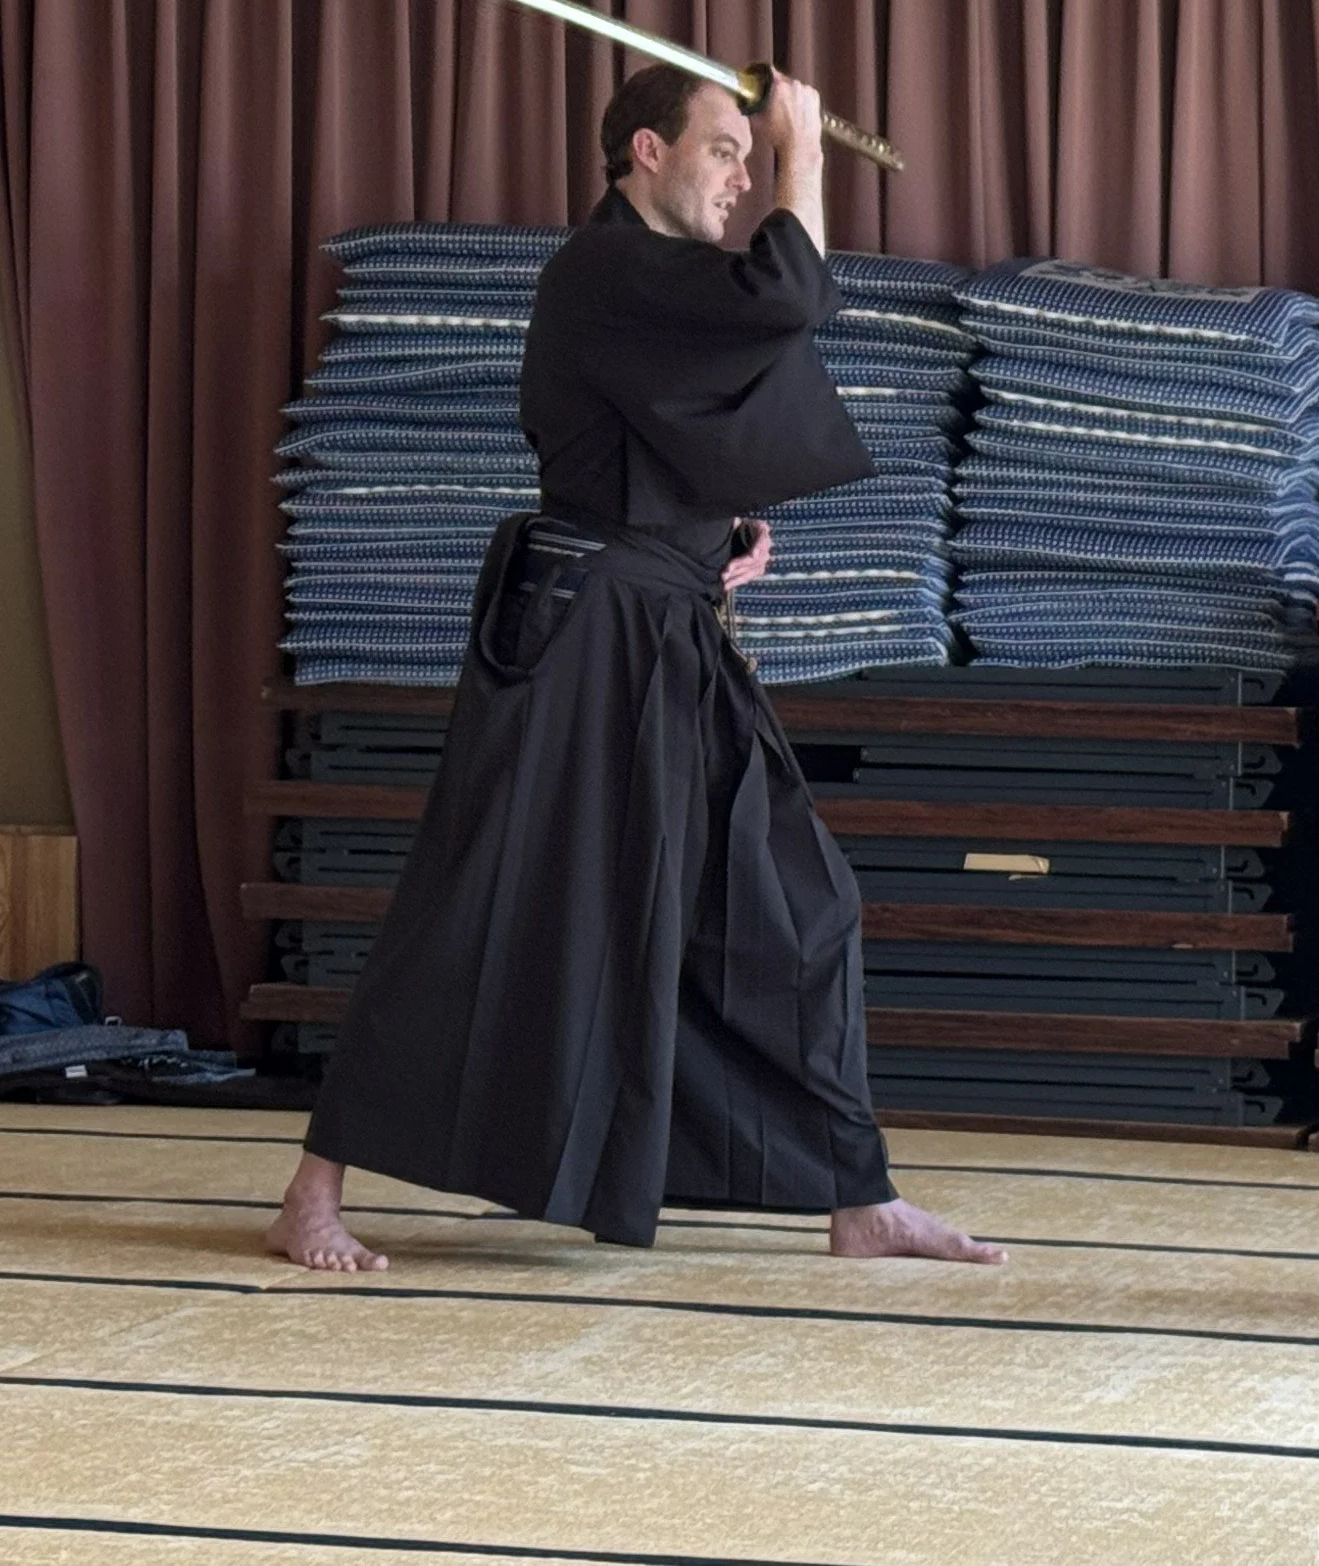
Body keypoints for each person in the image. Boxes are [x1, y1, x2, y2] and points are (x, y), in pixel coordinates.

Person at [269, 65, 1006, 1272]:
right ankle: (312, 1192)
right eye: (722, 150)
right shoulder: (599, 268)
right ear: (646, 152)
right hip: (578, 632)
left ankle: (855, 1194)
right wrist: (803, 149)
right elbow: (787, 297)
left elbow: (674, 421)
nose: (740, 179)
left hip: (665, 619)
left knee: (799, 903)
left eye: (749, 158)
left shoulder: (649, 284)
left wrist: (716, 535)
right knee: (484, 900)